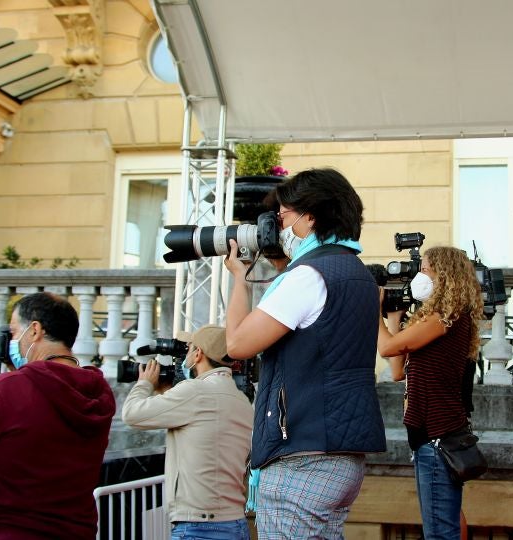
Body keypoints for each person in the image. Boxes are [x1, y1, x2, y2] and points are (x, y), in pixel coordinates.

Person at [224, 168, 386, 539]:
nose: (279, 227)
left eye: (283, 216)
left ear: (310, 215)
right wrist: (285, 267)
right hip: (340, 455)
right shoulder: (357, 273)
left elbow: (237, 344)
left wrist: (239, 278)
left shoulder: (309, 277)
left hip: (302, 455)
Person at [0, 292, 116, 539]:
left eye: (15, 332)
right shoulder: (98, 392)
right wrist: (24, 373)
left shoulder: (8, 389)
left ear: (35, 330)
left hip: (8, 531)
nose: (11, 341)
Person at [376, 246, 483, 540]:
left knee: (439, 532)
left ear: (443, 274)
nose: (419, 275)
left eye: (424, 269)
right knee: (438, 528)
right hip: (429, 437)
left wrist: (372, 313)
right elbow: (398, 371)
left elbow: (386, 347)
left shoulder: (443, 317)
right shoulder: (440, 318)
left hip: (437, 437)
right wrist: (394, 320)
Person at [122, 325, 254, 539]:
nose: (186, 356)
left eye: (189, 349)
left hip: (199, 526)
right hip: (234, 522)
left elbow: (132, 414)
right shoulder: (242, 401)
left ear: (198, 353)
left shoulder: (194, 391)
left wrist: (144, 384)